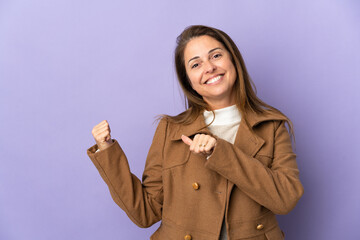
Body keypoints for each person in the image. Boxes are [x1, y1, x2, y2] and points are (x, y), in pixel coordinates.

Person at [87, 25, 304, 240]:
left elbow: (286, 199)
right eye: (196, 64)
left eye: (216, 55)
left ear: (233, 61)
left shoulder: (272, 126)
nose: (209, 68)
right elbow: (145, 213)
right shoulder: (170, 129)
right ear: (188, 80)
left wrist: (221, 152)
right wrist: (107, 151)